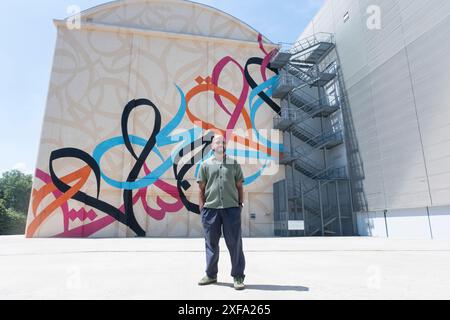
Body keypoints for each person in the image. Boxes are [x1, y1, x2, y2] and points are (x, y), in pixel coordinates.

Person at [196, 134, 246, 290]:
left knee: (235, 243)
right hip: (210, 210)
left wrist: (239, 204)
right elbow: (201, 189)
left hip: (231, 209)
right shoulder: (204, 165)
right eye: (217, 141)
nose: (220, 143)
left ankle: (238, 276)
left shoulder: (233, 164)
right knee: (211, 244)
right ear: (212, 146)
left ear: (225, 146)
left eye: (222, 142)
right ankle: (211, 275)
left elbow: (239, 186)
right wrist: (202, 207)